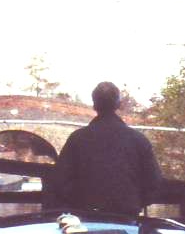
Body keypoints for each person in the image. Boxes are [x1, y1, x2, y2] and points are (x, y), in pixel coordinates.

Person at [51, 81, 163, 214]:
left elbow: (61, 179)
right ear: (118, 104)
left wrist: (78, 202)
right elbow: (154, 182)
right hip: (126, 215)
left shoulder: (77, 139)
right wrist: (134, 202)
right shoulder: (138, 140)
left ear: (94, 105)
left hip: (86, 216)